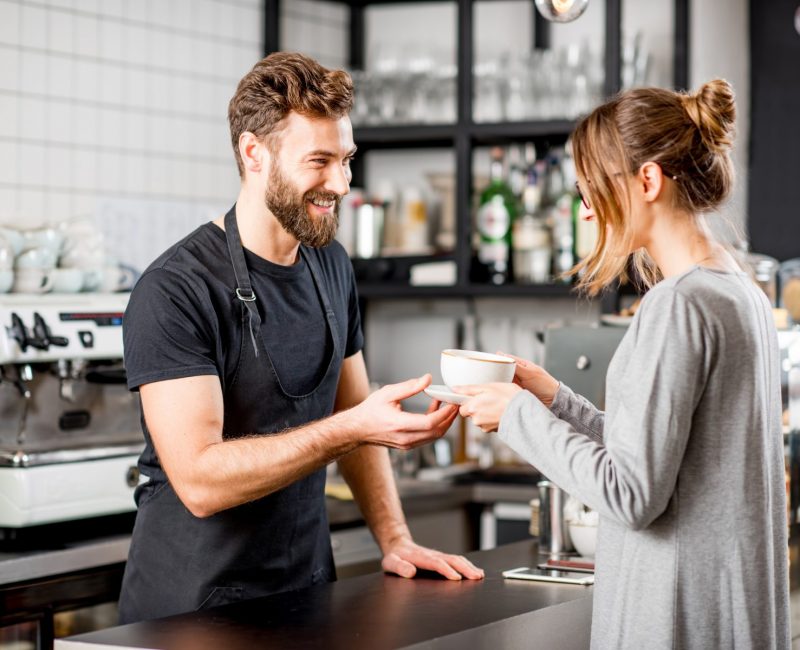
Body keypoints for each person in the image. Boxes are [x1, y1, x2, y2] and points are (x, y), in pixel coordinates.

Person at [118, 52, 483, 624]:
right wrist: (353, 426)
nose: (341, 183)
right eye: (319, 161)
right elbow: (199, 481)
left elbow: (354, 413)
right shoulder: (176, 289)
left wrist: (395, 538)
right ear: (253, 153)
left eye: (346, 160)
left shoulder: (330, 263)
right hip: (192, 612)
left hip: (305, 594)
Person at [456, 79, 790, 649]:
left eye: (591, 190)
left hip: (676, 620)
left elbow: (630, 494)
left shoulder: (678, 304)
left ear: (648, 181)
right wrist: (554, 400)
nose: (587, 212)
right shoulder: (738, 291)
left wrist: (515, 416)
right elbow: (665, 456)